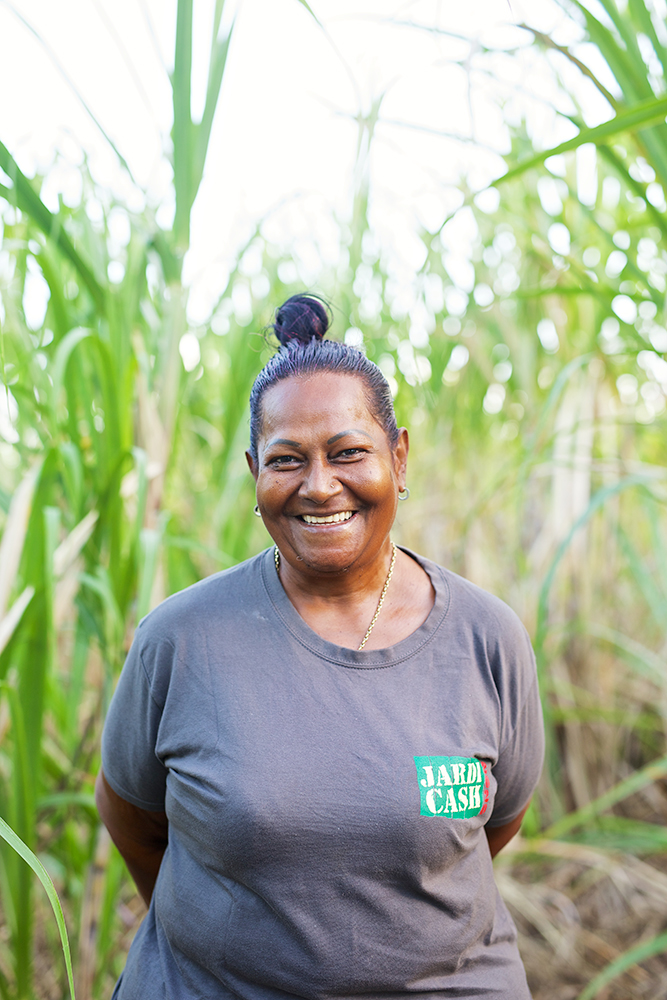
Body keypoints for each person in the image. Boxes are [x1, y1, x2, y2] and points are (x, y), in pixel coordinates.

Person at [96, 294, 544, 1000]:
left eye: (348, 453)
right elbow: (133, 818)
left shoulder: (485, 639)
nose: (318, 485)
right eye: (286, 460)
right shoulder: (180, 640)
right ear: (254, 474)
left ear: (398, 457)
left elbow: (492, 826)